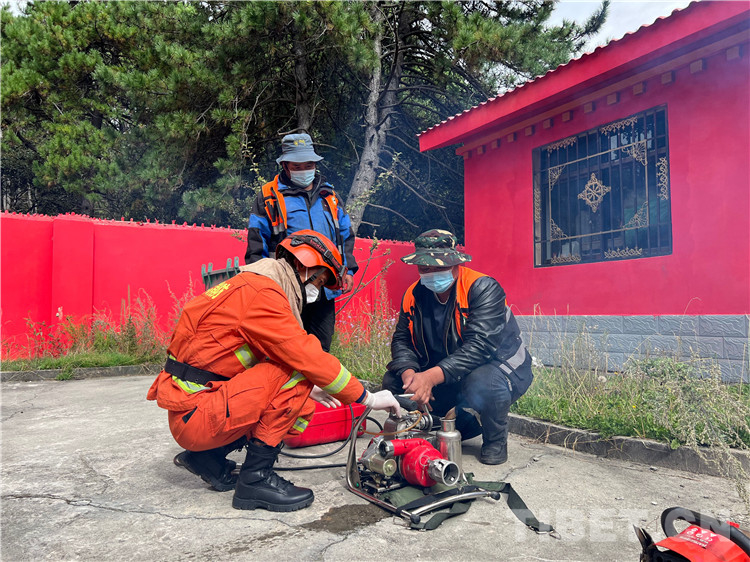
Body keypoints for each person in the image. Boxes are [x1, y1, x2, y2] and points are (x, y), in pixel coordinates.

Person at [147, 230, 400, 512]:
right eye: (319, 281)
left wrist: (308, 389)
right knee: (298, 370)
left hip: (192, 411)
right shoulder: (263, 294)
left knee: (300, 392)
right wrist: (368, 398)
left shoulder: (246, 285)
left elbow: (236, 359)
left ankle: (207, 458)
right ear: (303, 266)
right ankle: (255, 480)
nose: (317, 291)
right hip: (200, 415)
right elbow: (306, 356)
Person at [382, 229, 534, 465]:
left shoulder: (482, 288)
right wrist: (410, 375)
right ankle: (445, 423)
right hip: (450, 371)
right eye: (424, 268)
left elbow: (480, 346)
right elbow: (401, 339)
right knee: (393, 382)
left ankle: (494, 440)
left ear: (455, 264)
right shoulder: (413, 294)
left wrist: (430, 378)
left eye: (438, 267)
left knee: (484, 382)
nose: (430, 273)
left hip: (497, 367)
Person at [245, 132, 358, 352]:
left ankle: (317, 376)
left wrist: (348, 270)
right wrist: (260, 284)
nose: (304, 170)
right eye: (297, 166)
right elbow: (256, 242)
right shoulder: (269, 196)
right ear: (285, 166)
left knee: (321, 349)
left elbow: (345, 235)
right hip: (287, 287)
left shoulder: (329, 196)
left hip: (324, 285)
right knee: (287, 349)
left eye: (308, 165)